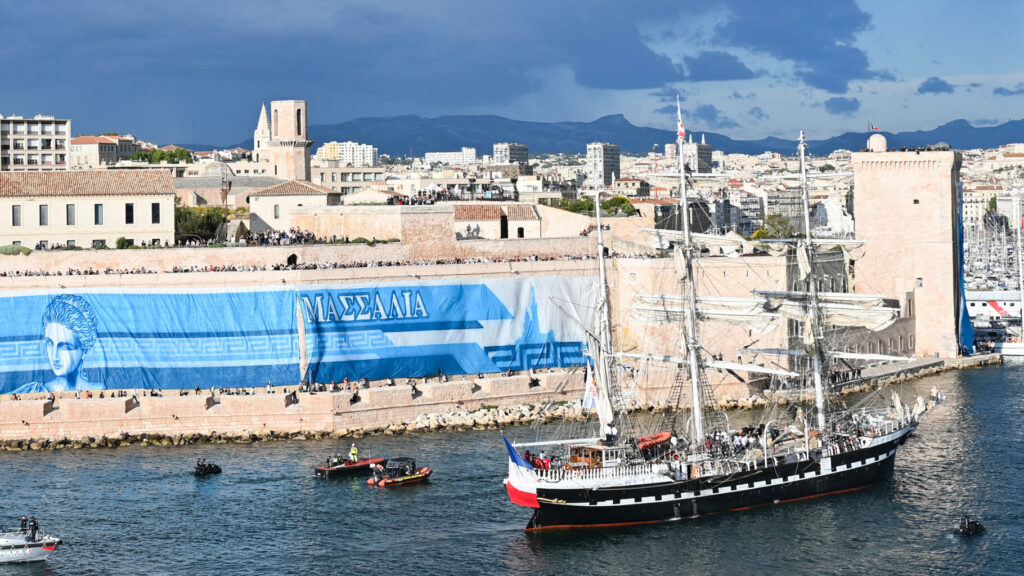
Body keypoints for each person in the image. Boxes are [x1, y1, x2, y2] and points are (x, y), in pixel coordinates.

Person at [15, 294, 105, 393]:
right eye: (50, 343)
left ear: (85, 350)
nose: (54, 356)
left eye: (65, 346)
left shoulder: (98, 390)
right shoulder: (36, 390)